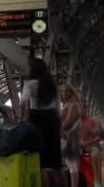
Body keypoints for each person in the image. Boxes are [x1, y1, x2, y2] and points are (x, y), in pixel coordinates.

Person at [20, 58, 65, 187]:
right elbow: (58, 108)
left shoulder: (30, 84)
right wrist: (58, 125)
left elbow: (22, 101)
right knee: (57, 164)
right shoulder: (52, 84)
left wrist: (22, 119)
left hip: (36, 120)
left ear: (33, 69)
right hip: (51, 119)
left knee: (40, 163)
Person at [60, 84, 82, 187]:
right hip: (68, 137)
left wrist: (57, 127)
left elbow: (68, 122)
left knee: (72, 165)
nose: (64, 93)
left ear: (71, 92)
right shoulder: (67, 104)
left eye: (66, 91)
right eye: (62, 91)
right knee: (70, 165)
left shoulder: (73, 104)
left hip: (70, 138)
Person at [80, 111, 102, 187]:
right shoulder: (76, 123)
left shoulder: (92, 120)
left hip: (91, 147)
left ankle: (97, 181)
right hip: (80, 149)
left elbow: (99, 137)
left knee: (94, 152)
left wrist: (87, 143)